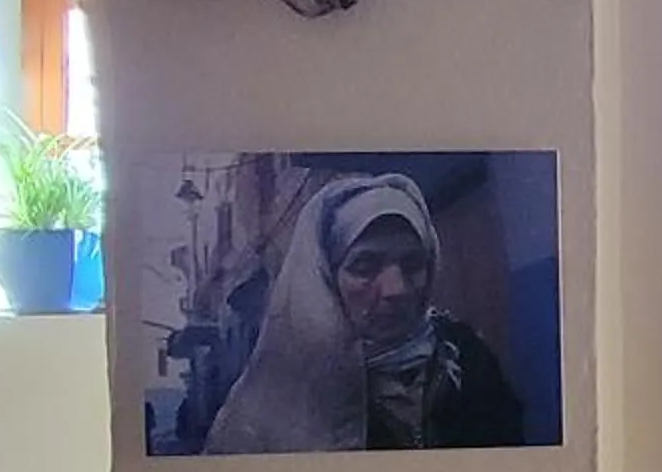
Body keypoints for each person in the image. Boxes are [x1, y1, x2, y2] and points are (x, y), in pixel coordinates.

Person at [206, 172, 526, 453]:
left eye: (413, 264)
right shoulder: (277, 394)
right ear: (326, 278)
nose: (396, 289)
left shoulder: (466, 358)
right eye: (364, 266)